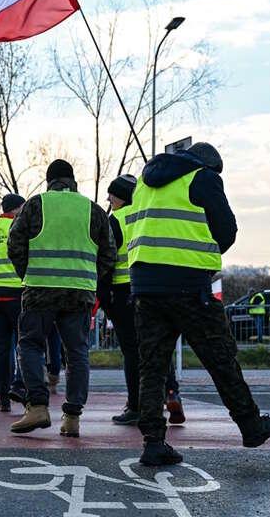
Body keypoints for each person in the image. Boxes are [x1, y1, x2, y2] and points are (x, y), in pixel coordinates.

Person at [125, 142, 270, 465]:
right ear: (209, 165)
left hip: (145, 285)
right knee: (220, 358)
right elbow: (227, 230)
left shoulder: (143, 182)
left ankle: (153, 442)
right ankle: (251, 426)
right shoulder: (203, 178)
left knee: (152, 366)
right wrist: (204, 254)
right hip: (188, 286)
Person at [7, 159, 116, 439]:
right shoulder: (92, 209)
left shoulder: (35, 204)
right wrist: (88, 278)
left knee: (30, 344)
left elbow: (15, 243)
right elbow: (109, 254)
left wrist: (27, 273)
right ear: (73, 181)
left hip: (40, 288)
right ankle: (72, 417)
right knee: (77, 352)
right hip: (79, 292)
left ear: (49, 181)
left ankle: (38, 406)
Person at [101, 174, 184, 426]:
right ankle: (171, 392)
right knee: (156, 345)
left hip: (124, 292)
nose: (108, 199)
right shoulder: (150, 215)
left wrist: (105, 301)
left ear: (122, 197)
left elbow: (106, 262)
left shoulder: (114, 220)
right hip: (155, 288)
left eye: (112, 195)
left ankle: (135, 406)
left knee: (131, 351)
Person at [0, 193, 26, 412]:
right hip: (16, 293)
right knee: (24, 344)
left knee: (1, 347)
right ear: (16, 210)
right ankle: (21, 388)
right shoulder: (18, 228)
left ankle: (3, 397)